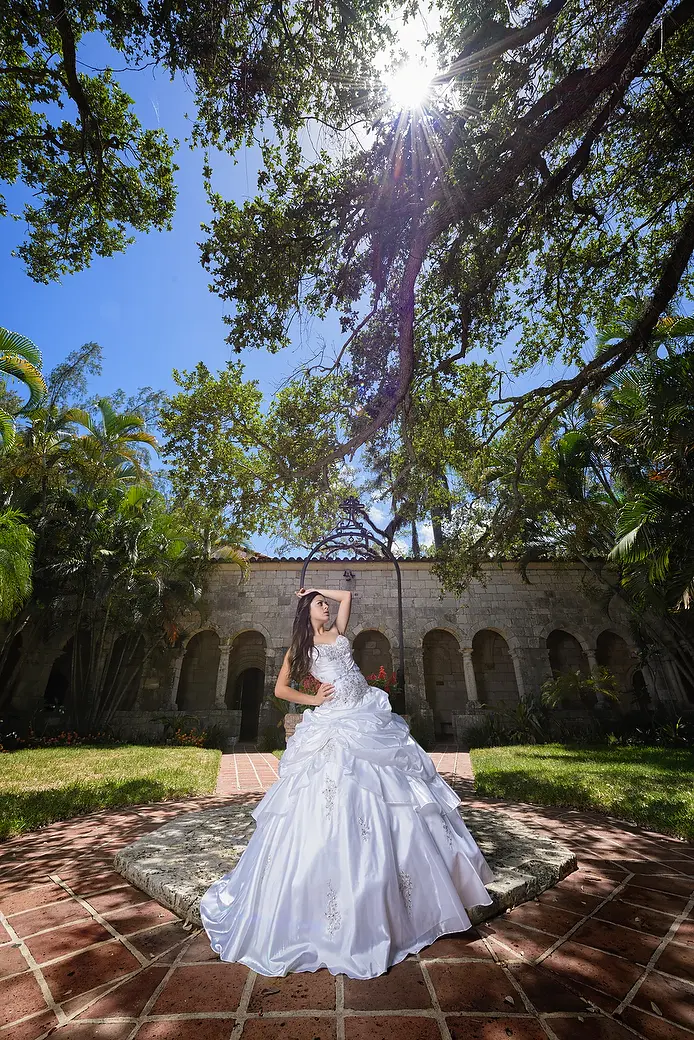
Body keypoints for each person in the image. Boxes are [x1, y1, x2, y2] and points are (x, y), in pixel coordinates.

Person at [200, 586, 494, 979]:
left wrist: (315, 590)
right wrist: (316, 700)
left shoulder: (338, 631)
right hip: (335, 722)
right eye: (319, 605)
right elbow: (281, 689)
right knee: (336, 793)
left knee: (397, 792)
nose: (326, 607)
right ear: (307, 615)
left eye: (325, 604)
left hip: (367, 715)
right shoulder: (299, 650)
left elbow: (350, 595)